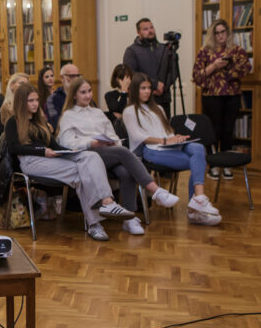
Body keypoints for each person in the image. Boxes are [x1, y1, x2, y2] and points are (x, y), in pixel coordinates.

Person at [6, 83, 134, 241]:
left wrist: (68, 150)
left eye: (37, 100)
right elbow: (13, 148)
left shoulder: (40, 121)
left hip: (49, 157)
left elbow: (54, 146)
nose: (35, 104)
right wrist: (41, 151)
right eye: (30, 101)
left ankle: (105, 204)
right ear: (21, 102)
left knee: (90, 157)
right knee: (81, 171)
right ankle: (96, 223)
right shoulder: (14, 121)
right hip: (31, 162)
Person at [58, 78, 179, 235]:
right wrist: (91, 142)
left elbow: (112, 135)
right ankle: (154, 190)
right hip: (87, 156)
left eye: (89, 91)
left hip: (108, 154)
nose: (88, 95)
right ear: (74, 95)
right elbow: (66, 142)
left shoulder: (98, 113)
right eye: (83, 92)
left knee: (125, 170)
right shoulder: (69, 115)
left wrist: (111, 143)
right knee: (123, 153)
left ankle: (129, 218)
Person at [123, 73, 221, 225]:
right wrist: (165, 140)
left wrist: (176, 138)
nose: (147, 91)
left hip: (170, 146)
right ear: (135, 90)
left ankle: (198, 199)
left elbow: (167, 131)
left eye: (149, 88)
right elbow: (137, 137)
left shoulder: (158, 108)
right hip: (152, 150)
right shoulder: (129, 111)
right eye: (143, 88)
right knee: (196, 162)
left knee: (198, 148)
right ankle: (194, 208)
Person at [193, 18, 252, 180]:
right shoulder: (204, 51)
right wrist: (213, 66)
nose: (220, 36)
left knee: (228, 131)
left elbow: (246, 68)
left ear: (227, 33)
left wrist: (228, 68)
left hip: (232, 96)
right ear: (212, 34)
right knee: (214, 131)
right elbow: (197, 77)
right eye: (216, 33)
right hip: (211, 96)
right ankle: (214, 165)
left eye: (222, 32)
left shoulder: (237, 50)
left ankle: (227, 165)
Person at [123, 18, 170, 117]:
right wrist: (154, 85)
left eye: (151, 27)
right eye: (145, 29)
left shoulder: (164, 49)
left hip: (163, 98)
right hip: (142, 99)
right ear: (138, 32)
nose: (150, 31)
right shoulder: (131, 51)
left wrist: (163, 87)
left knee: (165, 128)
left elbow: (172, 71)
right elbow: (131, 73)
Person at [46, 64, 80, 129]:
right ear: (62, 78)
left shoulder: (83, 95)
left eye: (77, 76)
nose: (76, 79)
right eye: (72, 76)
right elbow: (56, 123)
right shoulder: (53, 99)